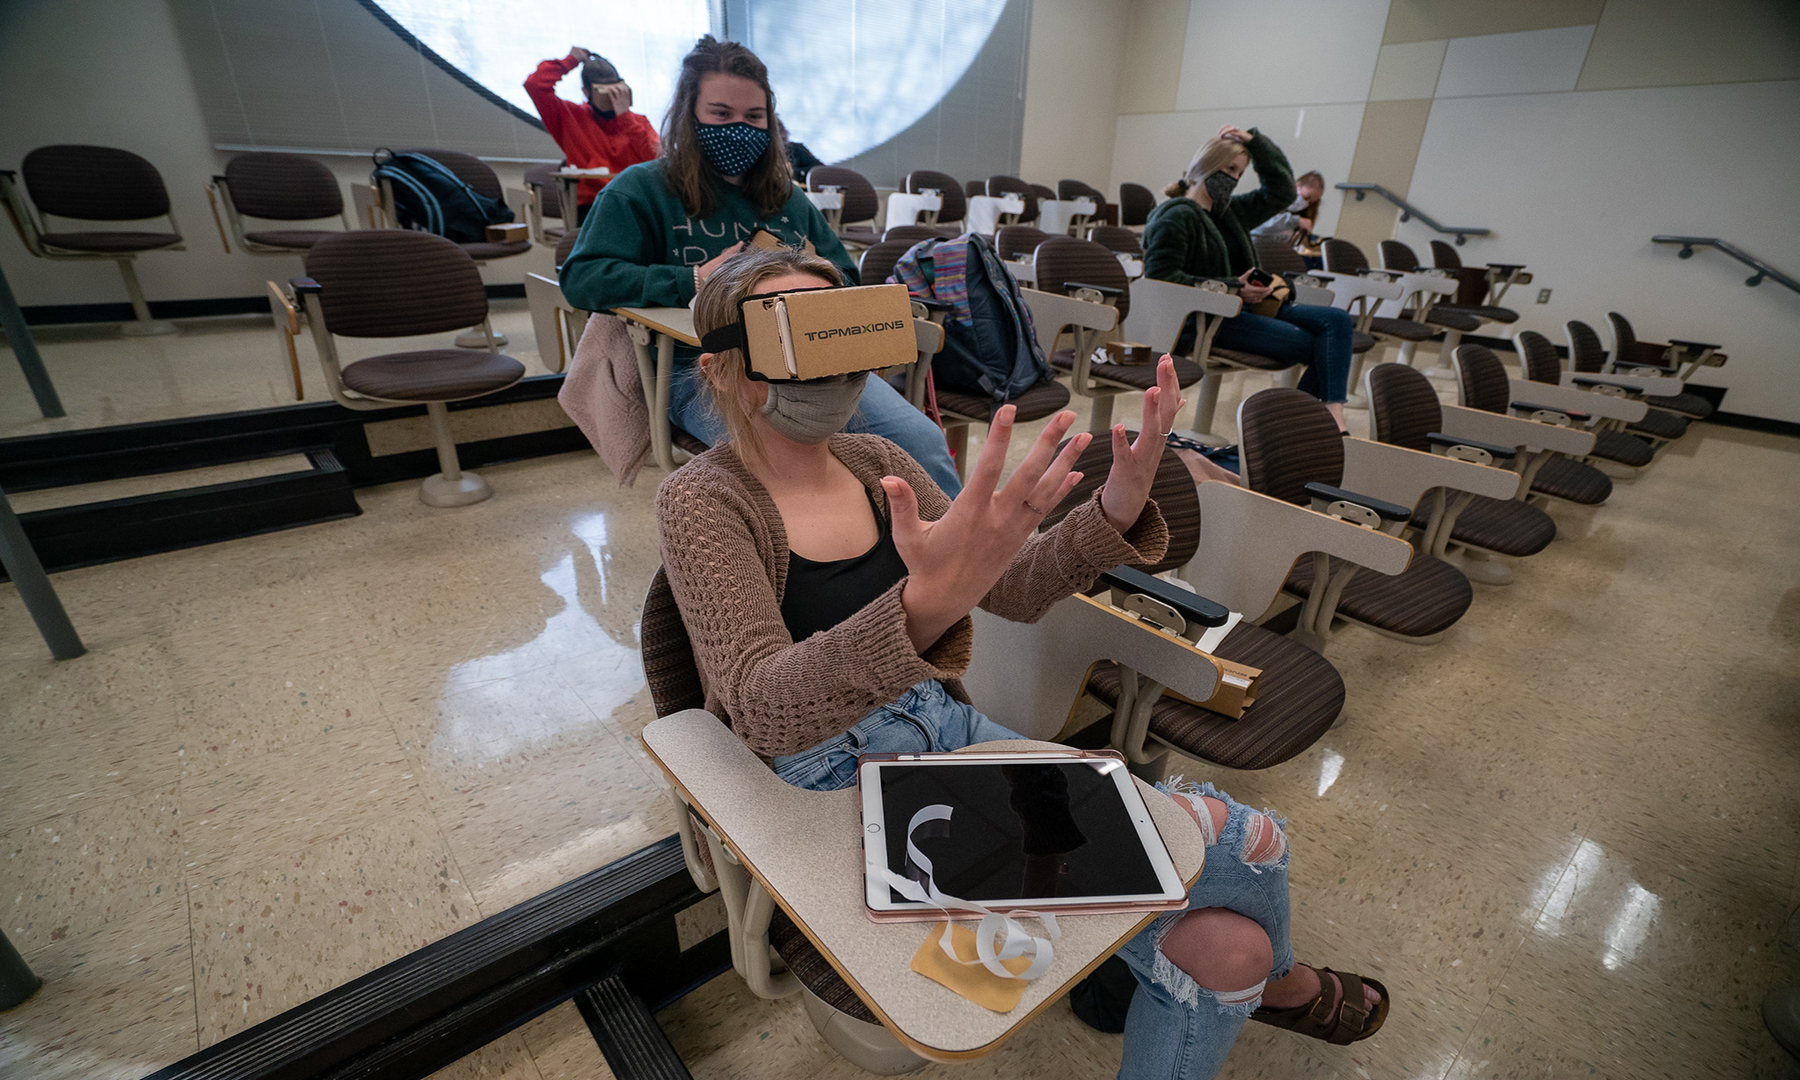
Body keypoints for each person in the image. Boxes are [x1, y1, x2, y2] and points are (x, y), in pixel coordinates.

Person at [658, 245, 1389, 1080]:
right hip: (827, 792)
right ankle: (1288, 985)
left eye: (844, 336)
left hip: (948, 732)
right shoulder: (701, 500)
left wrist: (1111, 509)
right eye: (802, 341)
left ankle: (1256, 977)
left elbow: (1012, 588)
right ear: (722, 371)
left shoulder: (880, 464)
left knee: (1227, 949)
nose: (835, 369)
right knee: (1251, 850)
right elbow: (760, 707)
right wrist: (924, 606)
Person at [560, 35, 962, 495]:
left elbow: (845, 277)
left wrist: (810, 277)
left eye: (754, 117)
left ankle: (952, 559)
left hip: (814, 359)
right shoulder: (643, 188)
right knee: (789, 471)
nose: (739, 127)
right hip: (708, 369)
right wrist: (695, 279)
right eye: (720, 114)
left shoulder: (785, 196)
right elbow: (581, 278)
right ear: (690, 114)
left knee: (920, 444)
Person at [1144, 126, 1355, 430]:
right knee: (1316, 345)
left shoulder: (1230, 212)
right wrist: (1234, 287)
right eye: (1229, 169)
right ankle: (1302, 426)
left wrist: (1256, 145)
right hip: (1208, 319)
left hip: (1244, 307)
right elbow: (1161, 279)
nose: (1232, 179)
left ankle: (1332, 413)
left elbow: (1282, 192)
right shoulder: (1176, 215)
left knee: (1337, 321)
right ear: (1205, 165)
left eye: (1239, 173)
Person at [523, 48, 660, 222]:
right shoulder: (569, 116)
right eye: (603, 90)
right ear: (586, 91)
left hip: (634, 202)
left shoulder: (638, 122)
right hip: (593, 206)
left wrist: (625, 118)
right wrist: (570, 61)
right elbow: (535, 85)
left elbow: (656, 159)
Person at [1250, 169, 1324, 246]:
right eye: (1306, 197)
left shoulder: (1294, 213)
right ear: (1296, 185)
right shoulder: (1270, 198)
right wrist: (1296, 220)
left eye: (1311, 202)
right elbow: (1259, 227)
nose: (1305, 204)